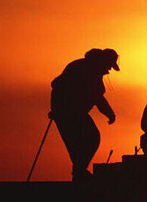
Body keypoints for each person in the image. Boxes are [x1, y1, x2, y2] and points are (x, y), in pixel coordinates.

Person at [49, 48, 119, 181]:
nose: (108, 70)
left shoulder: (88, 69)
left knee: (81, 143)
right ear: (103, 62)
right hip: (69, 112)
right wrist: (110, 113)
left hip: (69, 112)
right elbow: (58, 85)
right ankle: (79, 172)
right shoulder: (84, 70)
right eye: (109, 66)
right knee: (90, 139)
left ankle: (79, 173)